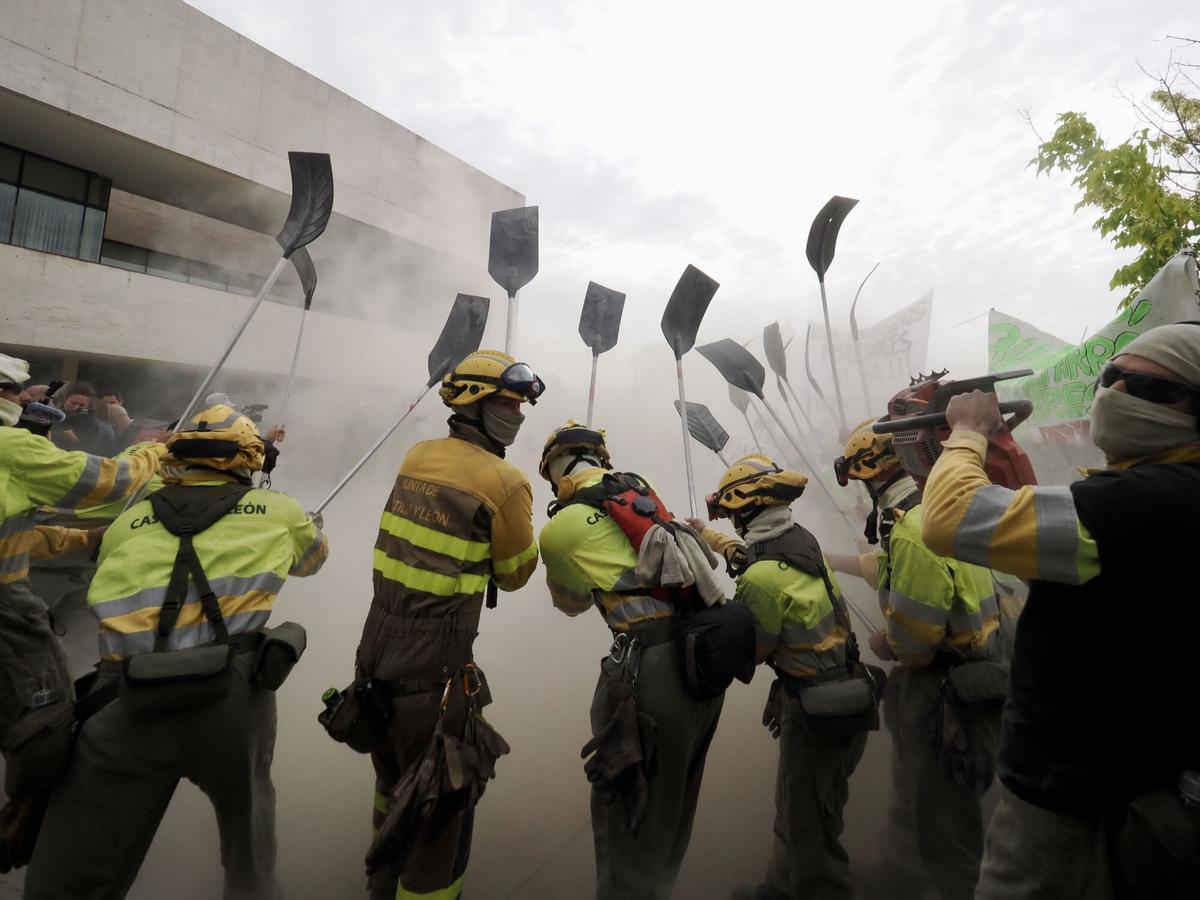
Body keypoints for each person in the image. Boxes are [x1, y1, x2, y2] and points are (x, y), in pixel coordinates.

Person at [920, 322, 1200, 899]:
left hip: (1076, 810)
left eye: (1144, 389)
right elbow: (1070, 571)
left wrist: (966, 434)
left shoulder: (1146, 500)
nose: (1114, 395)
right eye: (1111, 378)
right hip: (1136, 791)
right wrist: (1005, 461)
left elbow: (948, 519)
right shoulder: (1155, 494)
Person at [24, 403, 328, 899]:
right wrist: (309, 527)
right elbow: (312, 560)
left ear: (177, 459)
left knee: (75, 874)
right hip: (230, 698)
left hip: (128, 698)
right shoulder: (280, 510)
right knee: (251, 846)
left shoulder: (130, 519)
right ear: (249, 458)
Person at [357, 350, 542, 900]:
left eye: (520, 404)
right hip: (435, 677)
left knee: (391, 788)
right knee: (441, 812)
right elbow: (513, 576)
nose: (517, 414)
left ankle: (377, 888)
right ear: (473, 401)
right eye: (508, 401)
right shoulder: (505, 480)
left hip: (374, 657)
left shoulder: (417, 455)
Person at [538, 422, 728, 900]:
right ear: (601, 460)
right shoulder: (640, 490)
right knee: (671, 808)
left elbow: (571, 603)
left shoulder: (559, 528)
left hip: (647, 669)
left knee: (629, 807)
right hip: (702, 657)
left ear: (555, 474)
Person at [0, 353, 166, 870]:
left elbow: (16, 531)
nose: (24, 402)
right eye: (15, 393)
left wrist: (80, 538)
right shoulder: (10, 446)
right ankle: (26, 810)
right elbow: (110, 483)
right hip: (7, 606)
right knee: (50, 710)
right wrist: (154, 453)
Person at [827, 419, 1004, 900]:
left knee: (945, 829)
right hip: (973, 681)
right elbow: (889, 564)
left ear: (868, 474)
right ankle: (902, 877)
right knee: (921, 804)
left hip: (944, 690)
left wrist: (890, 642)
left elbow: (917, 638)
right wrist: (834, 560)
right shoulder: (930, 511)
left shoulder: (910, 531)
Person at [687, 454, 871, 900]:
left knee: (807, 826)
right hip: (850, 693)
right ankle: (780, 888)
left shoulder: (760, 578)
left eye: (731, 514)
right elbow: (748, 555)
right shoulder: (801, 542)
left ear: (747, 510)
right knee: (803, 810)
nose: (729, 522)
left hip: (815, 714)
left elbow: (757, 648)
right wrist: (704, 534)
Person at [53, 381, 116, 456]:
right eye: (73, 403)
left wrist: (73, 440)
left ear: (88, 405)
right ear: (66, 399)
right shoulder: (53, 415)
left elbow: (91, 452)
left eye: (81, 405)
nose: (76, 407)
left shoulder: (93, 423)